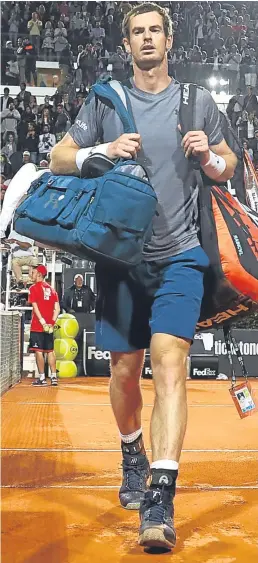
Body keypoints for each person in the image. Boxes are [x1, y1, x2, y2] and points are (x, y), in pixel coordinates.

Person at [45, 1, 238, 550]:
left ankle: (160, 492)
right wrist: (101, 151)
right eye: (138, 32)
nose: (147, 39)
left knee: (171, 362)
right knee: (125, 375)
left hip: (181, 256)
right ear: (126, 44)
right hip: (121, 260)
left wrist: (210, 159)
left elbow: (231, 164)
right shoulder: (106, 99)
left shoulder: (198, 101)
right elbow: (59, 156)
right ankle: (132, 448)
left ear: (169, 40)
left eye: (156, 30)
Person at [28, 264, 60, 387]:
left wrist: (42, 322)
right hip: (49, 327)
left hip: (38, 325)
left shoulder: (33, 288)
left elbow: (35, 307)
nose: (31, 275)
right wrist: (51, 323)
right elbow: (57, 309)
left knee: (39, 351)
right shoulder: (52, 290)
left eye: (33, 272)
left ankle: (42, 378)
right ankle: (53, 377)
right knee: (50, 351)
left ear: (40, 274)